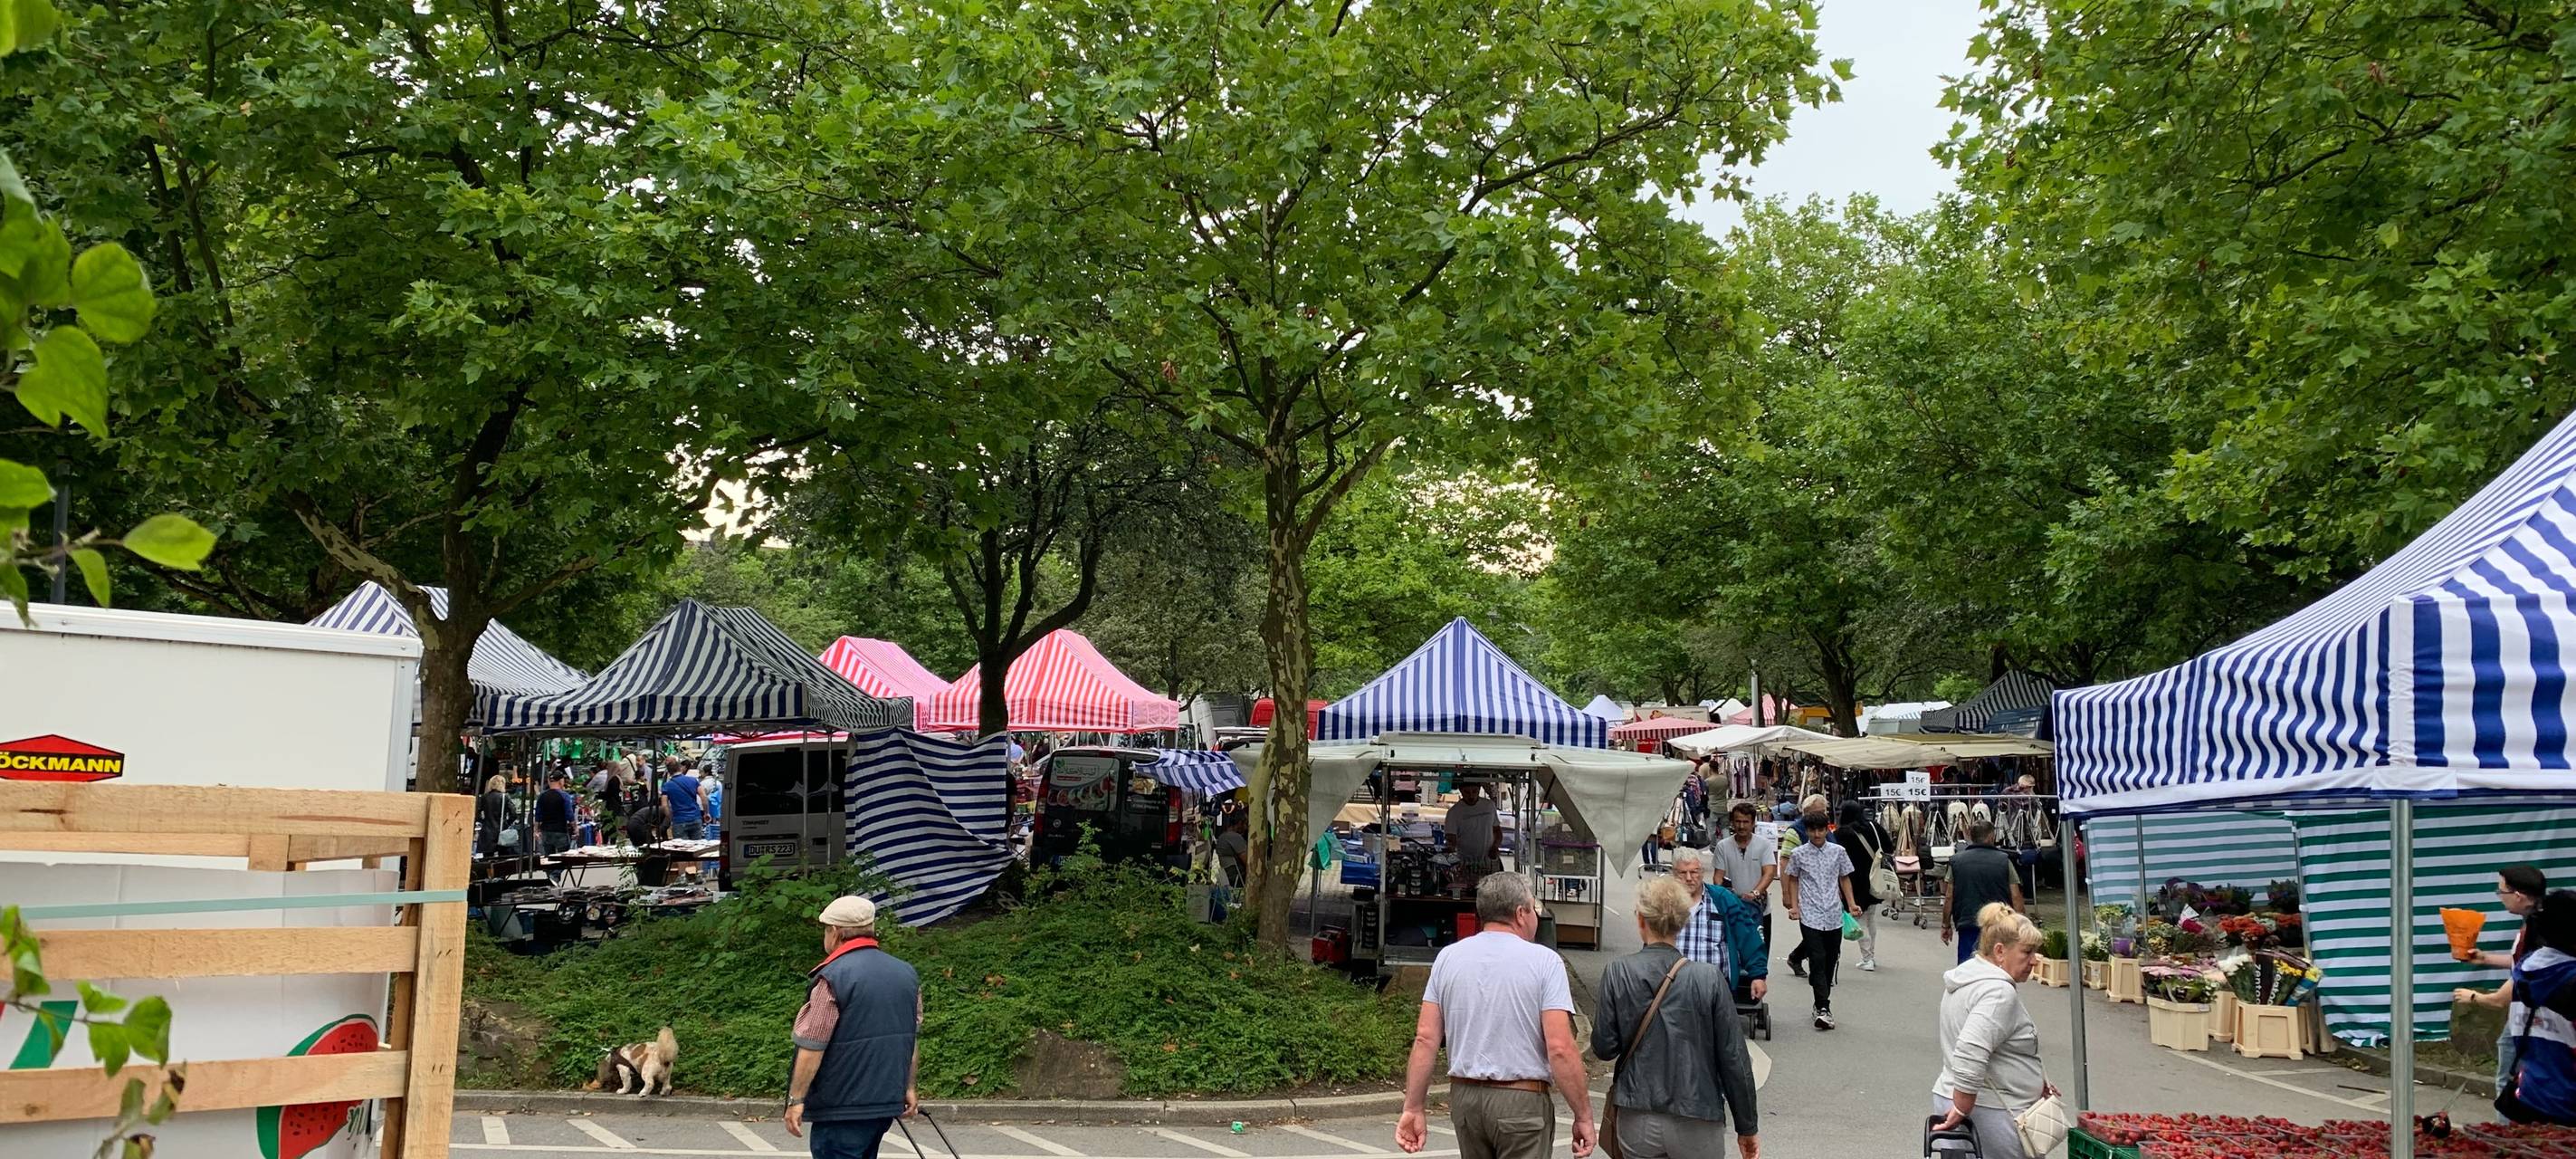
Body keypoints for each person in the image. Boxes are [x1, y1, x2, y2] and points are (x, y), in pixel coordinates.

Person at [1396, 873, 1594, 1159]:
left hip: (1466, 1101)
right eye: (1534, 909)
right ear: (1520, 914)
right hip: (1521, 1102)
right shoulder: (1545, 963)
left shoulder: (1448, 959)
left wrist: (1413, 1107)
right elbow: (1560, 1048)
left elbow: (1426, 1038)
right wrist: (1583, 1115)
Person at [1590, 876, 1761, 1159]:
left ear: (1641, 920)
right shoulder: (1708, 978)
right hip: (1698, 1114)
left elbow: (1604, 1047)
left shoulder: (1618, 971)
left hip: (1637, 1111)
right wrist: (1747, 1126)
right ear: (1682, 923)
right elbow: (1734, 1060)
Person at [786, 896, 921, 1158]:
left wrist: (796, 1099)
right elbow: (909, 1039)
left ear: (835, 932)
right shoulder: (906, 974)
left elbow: (812, 1046)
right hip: (884, 1103)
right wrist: (909, 1087)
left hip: (842, 1106)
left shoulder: (834, 977)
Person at [1932, 903, 2056, 1159]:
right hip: (1994, 1112)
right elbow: (1971, 1049)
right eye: (2027, 952)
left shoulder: (1966, 979)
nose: (2034, 960)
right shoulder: (1998, 992)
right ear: (2000, 951)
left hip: (1961, 1099)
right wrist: (1963, 1107)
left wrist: (2033, 1079)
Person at [1780, 808, 1857, 1030]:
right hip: (1810, 914)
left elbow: (1844, 878)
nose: (1816, 835)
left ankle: (1821, 997)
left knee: (1830, 958)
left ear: (1827, 829)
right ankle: (1823, 1006)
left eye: (1821, 830)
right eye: (1813, 830)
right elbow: (1793, 879)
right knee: (1817, 956)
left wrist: (1851, 904)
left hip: (1834, 913)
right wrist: (1794, 906)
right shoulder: (1799, 854)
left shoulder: (1838, 852)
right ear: (1807, 831)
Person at [1671, 848, 1769, 1006]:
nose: (1689, 878)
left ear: (1702, 872)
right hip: (1675, 985)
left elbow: (1748, 937)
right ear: (1674, 875)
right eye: (1683, 873)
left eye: (1694, 872)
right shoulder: (1665, 902)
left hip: (1716, 987)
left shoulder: (1723, 899)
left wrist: (1758, 975)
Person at [1942, 821, 2025, 965]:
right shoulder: (2004, 861)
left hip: (1968, 921)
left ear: (1970, 837)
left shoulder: (1956, 861)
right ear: (1991, 836)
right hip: (1998, 923)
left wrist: (1945, 924)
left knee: (1967, 967)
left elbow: (1949, 896)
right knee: (1996, 965)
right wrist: (2021, 924)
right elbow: (2016, 896)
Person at [1707, 802, 1779, 958]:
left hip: (1759, 909)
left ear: (1753, 823)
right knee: (1734, 953)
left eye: (1745, 822)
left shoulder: (1764, 845)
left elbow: (1769, 872)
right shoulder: (1723, 846)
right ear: (1732, 822)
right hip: (1733, 909)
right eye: (1738, 821)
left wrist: (1756, 892)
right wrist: (1725, 894)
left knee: (1760, 952)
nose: (1741, 826)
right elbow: (1718, 876)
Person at [1833, 800, 1890, 972]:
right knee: (1870, 917)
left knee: (1859, 918)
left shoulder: (1841, 833)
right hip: (1875, 878)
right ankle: (1870, 955)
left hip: (1854, 882)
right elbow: (1888, 846)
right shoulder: (1874, 827)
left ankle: (1868, 958)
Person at [1448, 781, 1503, 871]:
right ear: (1461, 791)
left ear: (1479, 790)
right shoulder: (1454, 812)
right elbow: (1451, 837)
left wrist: (1495, 846)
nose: (1471, 796)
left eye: (1474, 791)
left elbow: (1497, 830)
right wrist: (1451, 852)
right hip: (1465, 862)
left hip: (1488, 860)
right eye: (1467, 792)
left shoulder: (1489, 806)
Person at [663, 763, 707, 840]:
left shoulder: (667, 786)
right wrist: (706, 813)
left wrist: (670, 818)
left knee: (682, 850)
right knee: (696, 847)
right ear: (680, 769)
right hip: (695, 818)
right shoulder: (693, 780)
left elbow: (664, 805)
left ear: (669, 773)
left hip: (679, 820)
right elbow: (704, 797)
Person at [476, 773, 509, 858]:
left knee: (487, 858)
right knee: (502, 859)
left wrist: (483, 821)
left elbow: (477, 813)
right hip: (501, 830)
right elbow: (514, 813)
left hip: (487, 831)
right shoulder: (505, 797)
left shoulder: (484, 797)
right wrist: (506, 822)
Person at [1215, 813, 1249, 887]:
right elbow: (1247, 862)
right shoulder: (1235, 837)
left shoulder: (1222, 837)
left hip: (1227, 875)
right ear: (1240, 823)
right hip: (1237, 876)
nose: (1246, 828)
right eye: (1245, 824)